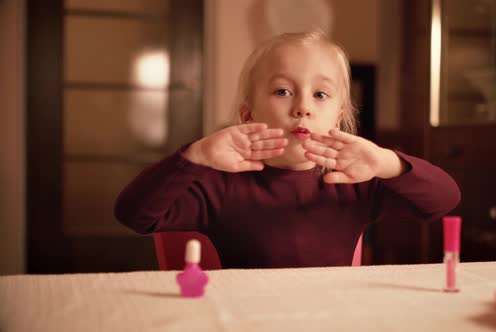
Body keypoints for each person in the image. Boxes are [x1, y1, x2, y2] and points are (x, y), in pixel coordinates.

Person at [115, 31, 460, 269]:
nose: (303, 108)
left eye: (320, 95)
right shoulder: (219, 186)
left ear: (337, 119)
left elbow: (444, 199)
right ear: (248, 115)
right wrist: (195, 157)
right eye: (282, 91)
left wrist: (387, 162)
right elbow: (134, 214)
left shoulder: (354, 184)